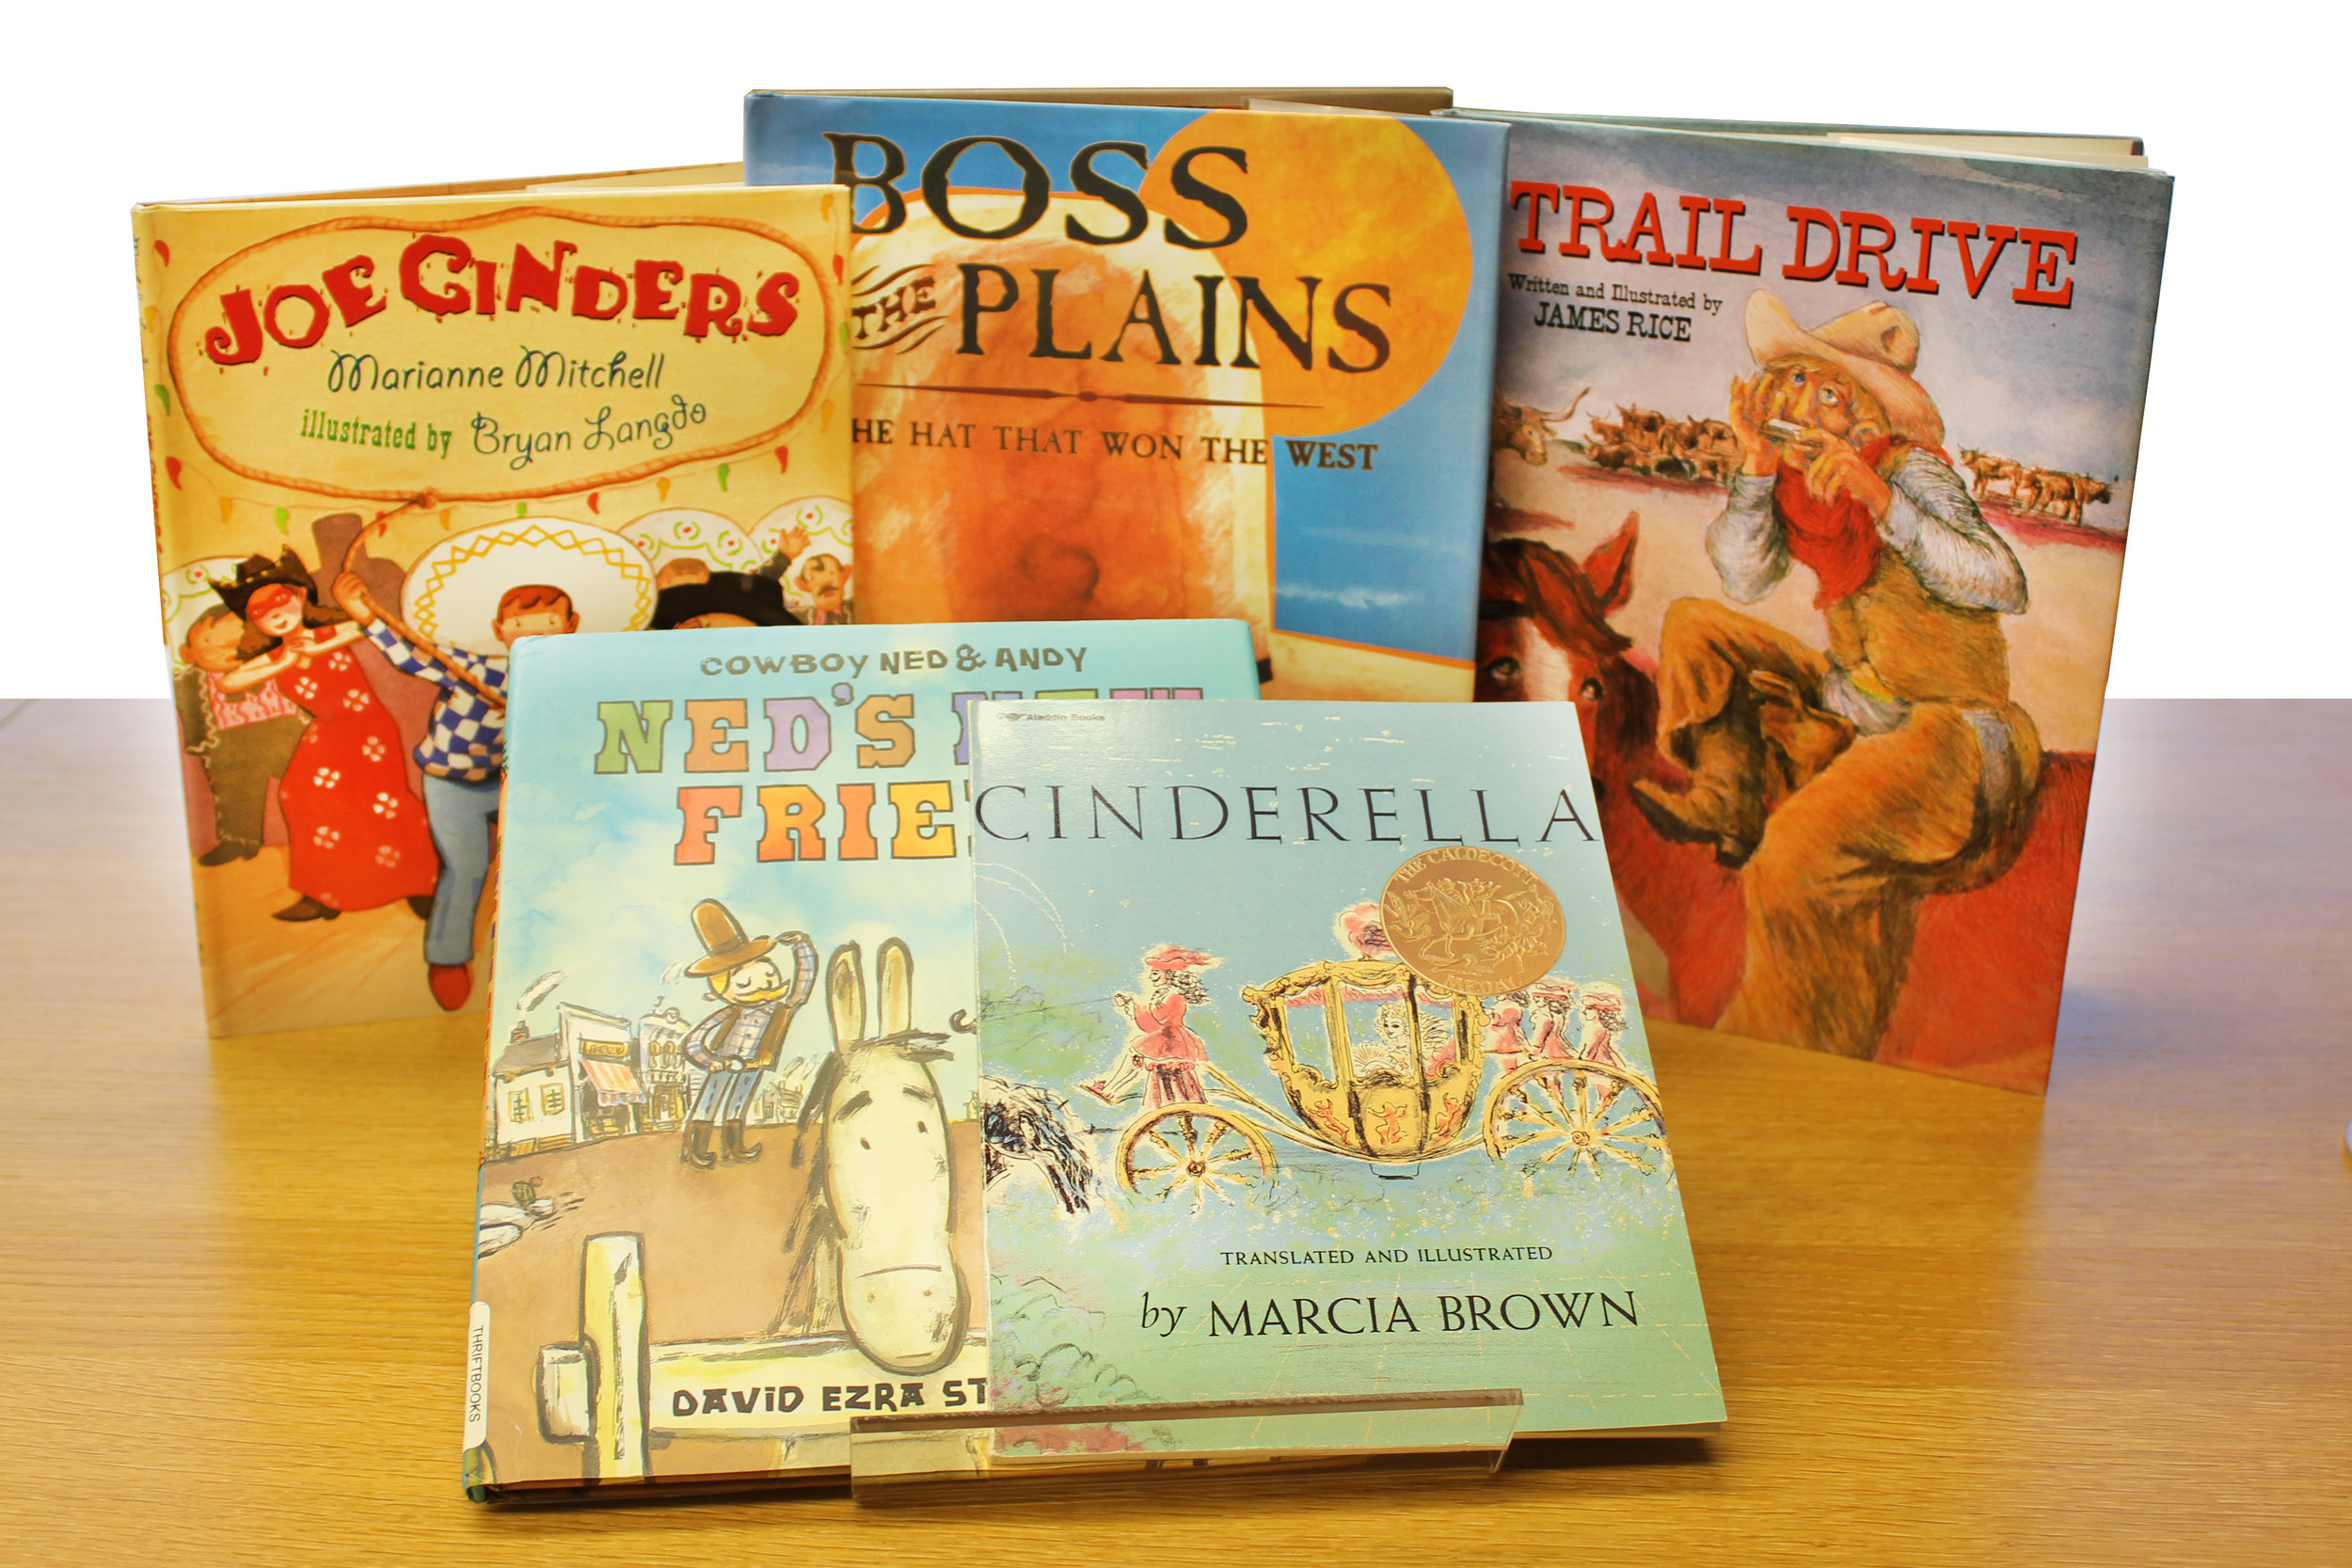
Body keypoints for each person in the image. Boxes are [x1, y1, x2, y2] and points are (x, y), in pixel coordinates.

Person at [1629, 292, 2040, 1060]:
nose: (1804, 402)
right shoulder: (1798, 486)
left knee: (1792, 856)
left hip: (1952, 725)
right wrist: (1756, 471)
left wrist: (1880, 499)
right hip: (1859, 701)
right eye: (1791, 382)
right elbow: (1744, 578)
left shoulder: (1912, 473)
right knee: (1696, 625)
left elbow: (2002, 581)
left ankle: (1786, 1048)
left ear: (1864, 410)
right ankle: (1726, 796)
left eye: (1826, 389)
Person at [333, 573, 577, 1011]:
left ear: (571, 625)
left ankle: (548, 955)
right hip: (453, 781)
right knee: (465, 868)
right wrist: (363, 614)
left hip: (521, 783)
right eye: (519, 625)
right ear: (499, 631)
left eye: (549, 622)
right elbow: (413, 656)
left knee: (547, 861)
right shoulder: (476, 669)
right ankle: (447, 957)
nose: (534, 633)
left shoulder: (575, 675)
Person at [214, 555, 436, 924]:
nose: (275, 613)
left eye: (280, 600)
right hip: (329, 730)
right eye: (260, 612)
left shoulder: (327, 634)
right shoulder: (276, 655)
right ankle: (324, 892)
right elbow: (228, 681)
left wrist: (314, 647)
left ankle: (419, 884)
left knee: (384, 802)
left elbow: (364, 626)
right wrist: (283, 660)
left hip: (367, 729)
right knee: (298, 796)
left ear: (300, 595)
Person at [676, 900, 818, 1167]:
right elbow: (693, 1043)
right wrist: (712, 1061)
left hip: (754, 1063)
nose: (762, 985)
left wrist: (802, 947)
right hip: (724, 1063)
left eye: (768, 975)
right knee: (708, 1102)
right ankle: (695, 1148)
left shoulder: (779, 1011)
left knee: (739, 1103)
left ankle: (734, 1146)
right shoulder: (729, 1013)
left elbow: (802, 989)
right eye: (744, 982)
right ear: (719, 990)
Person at [174, 606, 309, 866]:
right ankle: (239, 840)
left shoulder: (277, 664)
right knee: (235, 794)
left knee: (304, 782)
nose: (228, 650)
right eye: (211, 645)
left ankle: (314, 831)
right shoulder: (190, 681)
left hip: (285, 732)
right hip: (230, 742)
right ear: (188, 653)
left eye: (239, 641)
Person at [1083, 944, 1216, 1108]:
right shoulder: (1164, 993)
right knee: (1134, 1058)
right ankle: (1110, 1089)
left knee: (1134, 1056)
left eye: (1155, 973)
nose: (1151, 977)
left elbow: (1155, 1019)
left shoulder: (1173, 995)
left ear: (1169, 975)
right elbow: (1150, 1018)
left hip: (1169, 1038)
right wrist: (1129, 1005)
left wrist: (1133, 1004)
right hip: (1165, 1035)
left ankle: (1110, 1090)